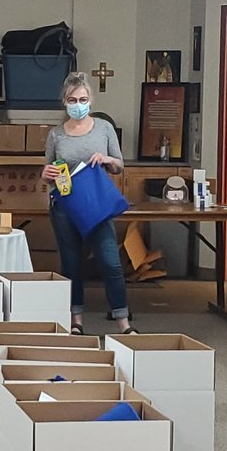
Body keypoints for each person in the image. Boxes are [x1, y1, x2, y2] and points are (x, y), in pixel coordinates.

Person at [41, 72, 135, 335]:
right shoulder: (56, 135)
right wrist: (46, 173)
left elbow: (119, 165)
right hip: (65, 208)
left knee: (111, 263)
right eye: (72, 100)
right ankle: (76, 321)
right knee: (71, 265)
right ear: (65, 102)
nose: (78, 104)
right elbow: (47, 171)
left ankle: (123, 322)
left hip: (96, 206)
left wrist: (106, 159)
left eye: (82, 99)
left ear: (90, 101)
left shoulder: (104, 129)